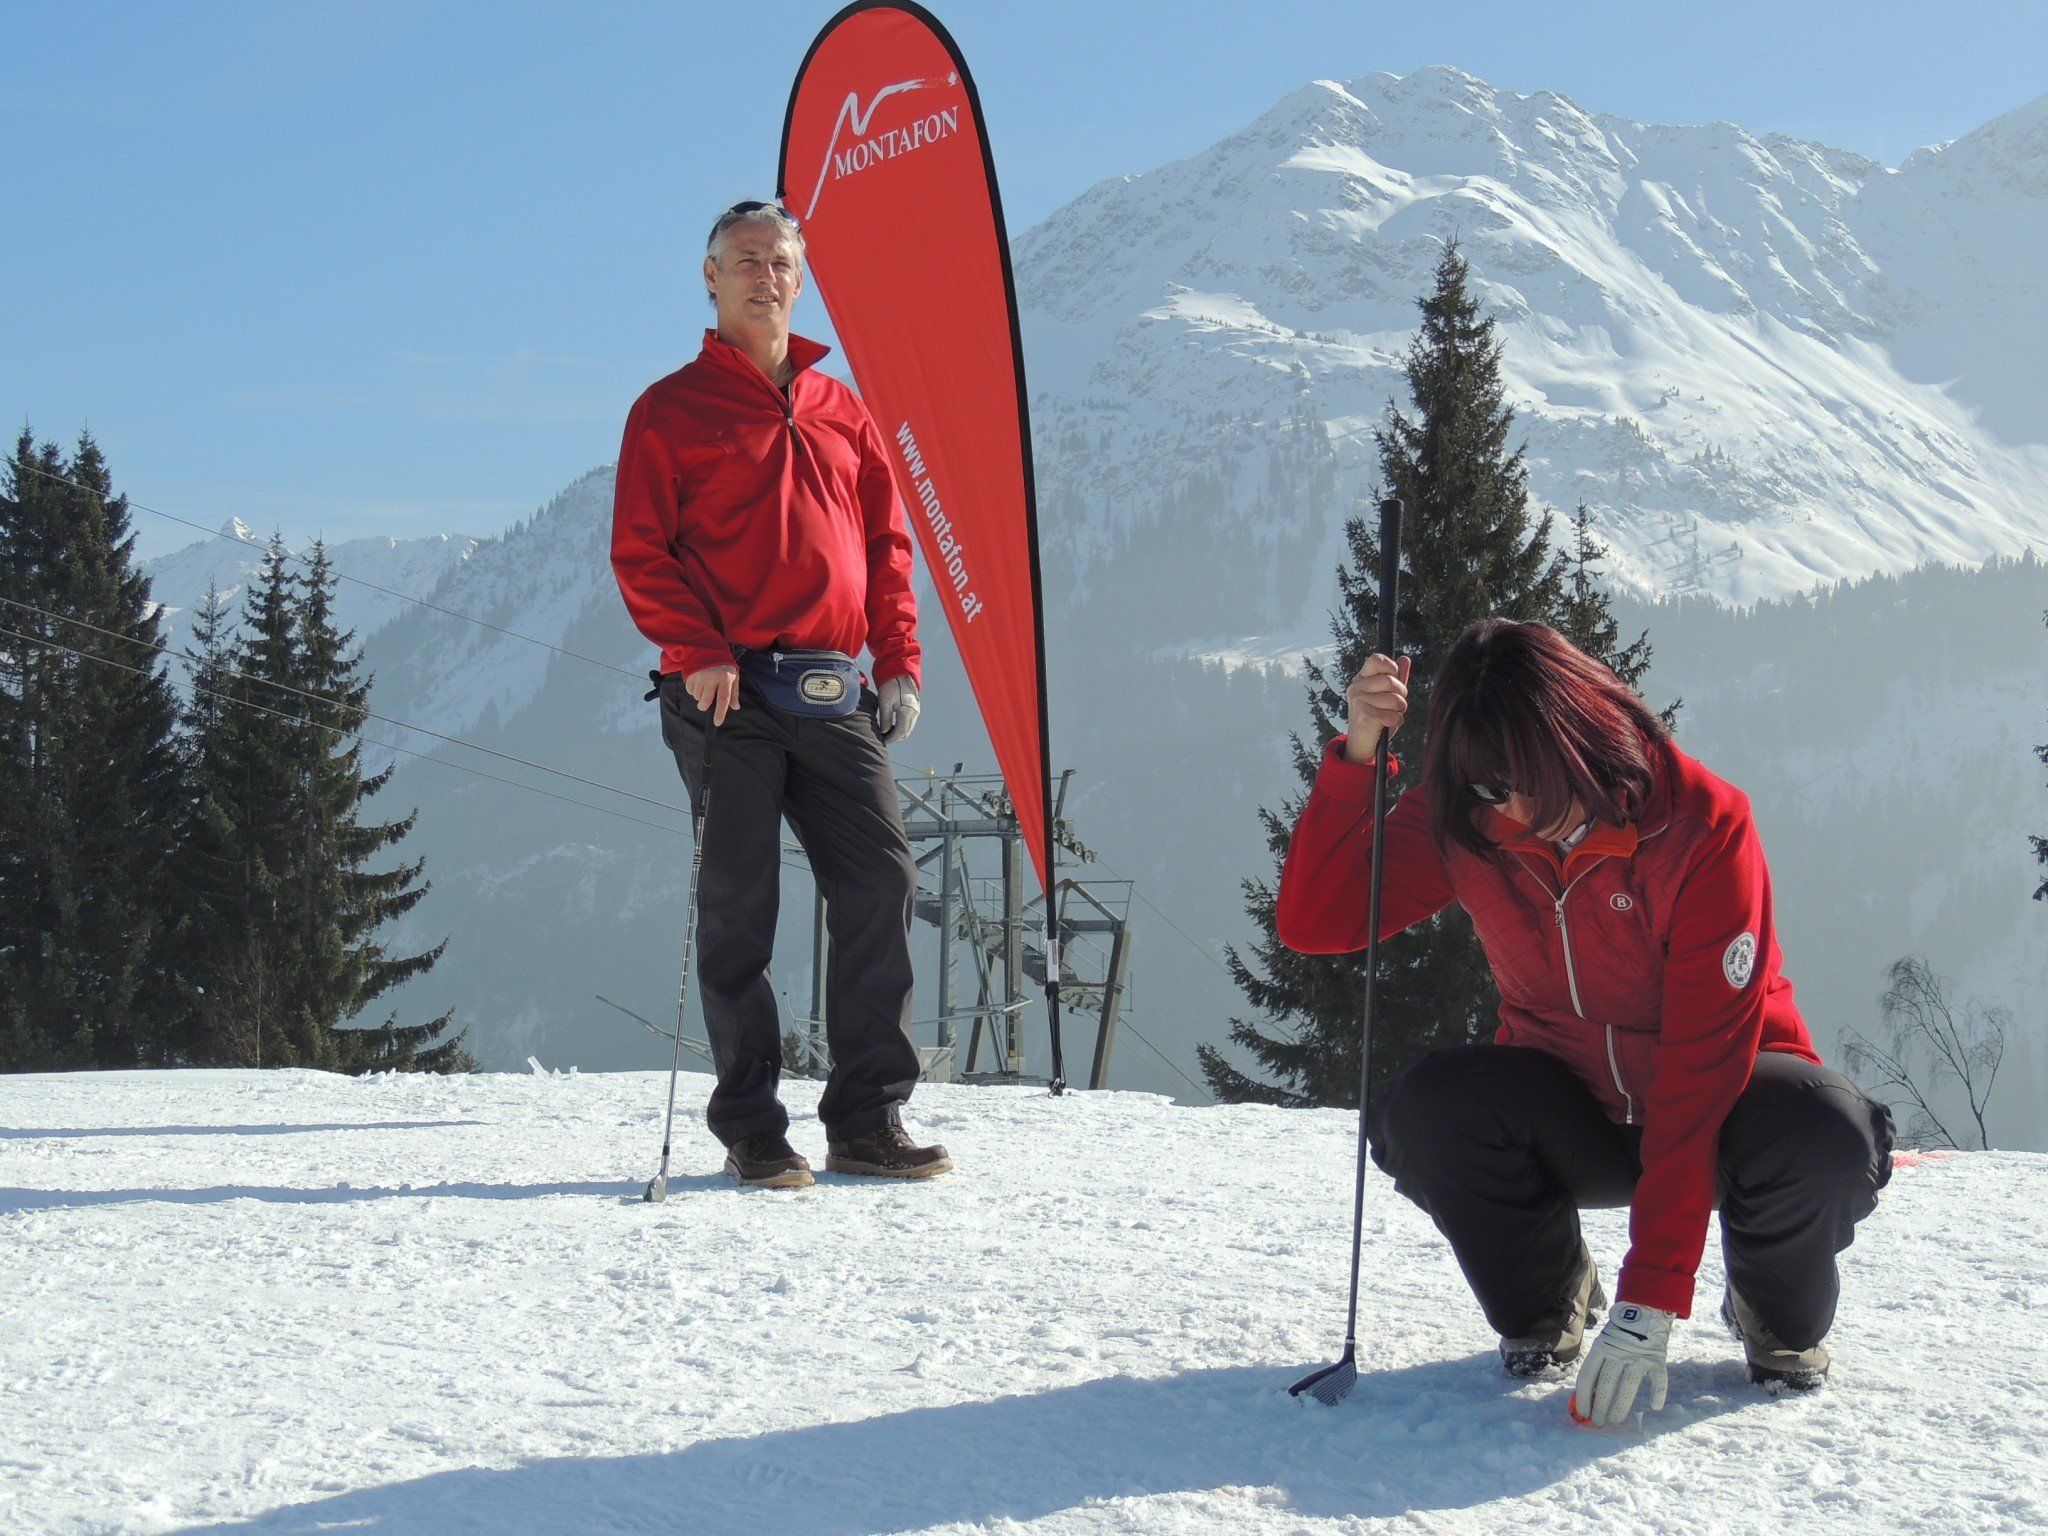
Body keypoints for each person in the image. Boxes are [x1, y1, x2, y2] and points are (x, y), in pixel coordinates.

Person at [1276, 618, 1893, 1426]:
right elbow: (1318, 920)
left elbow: (1702, 1070)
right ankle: (1551, 1298)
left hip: (1726, 1120)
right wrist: (1360, 756)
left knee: (1825, 1131)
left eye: (1530, 781)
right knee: (1427, 1110)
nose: (1515, 810)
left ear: (1580, 741)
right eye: (1492, 787)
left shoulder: (1703, 828)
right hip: (1576, 1112)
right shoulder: (1474, 814)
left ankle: (1770, 1312)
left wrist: (1652, 1299)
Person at [610, 198, 950, 1189]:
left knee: (880, 879)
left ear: (800, 279)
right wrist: (696, 648)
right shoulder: (667, 410)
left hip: (836, 686)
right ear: (708, 278)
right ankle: (753, 1127)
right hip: (725, 692)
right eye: (746, 260)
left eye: (782, 261)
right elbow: (640, 549)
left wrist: (900, 659)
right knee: (738, 909)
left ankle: (865, 1120)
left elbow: (887, 544)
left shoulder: (842, 410)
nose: (766, 275)